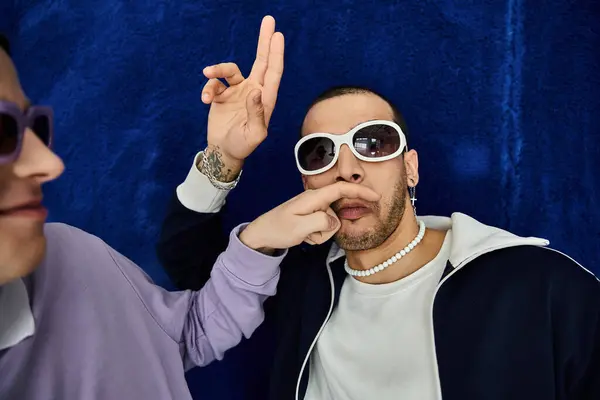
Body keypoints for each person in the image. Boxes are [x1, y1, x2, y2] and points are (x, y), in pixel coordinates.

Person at [157, 16, 600, 400]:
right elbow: (197, 274)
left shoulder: (541, 284)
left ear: (411, 168)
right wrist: (225, 157)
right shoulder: (300, 282)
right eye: (319, 153)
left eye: (373, 143)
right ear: (307, 181)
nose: (346, 170)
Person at [0, 33, 293, 400]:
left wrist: (224, 163)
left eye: (31, 128)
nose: (49, 162)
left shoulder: (67, 254)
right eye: (1, 132)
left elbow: (186, 333)